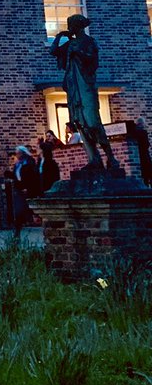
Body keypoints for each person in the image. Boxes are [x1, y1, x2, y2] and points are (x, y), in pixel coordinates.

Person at [52, 14, 118, 170]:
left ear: (78, 26)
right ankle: (94, 159)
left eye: (71, 26)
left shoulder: (89, 42)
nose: (70, 29)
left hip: (85, 85)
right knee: (79, 123)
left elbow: (93, 61)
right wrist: (60, 36)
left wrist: (78, 53)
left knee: (93, 122)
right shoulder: (70, 43)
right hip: (73, 86)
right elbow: (53, 51)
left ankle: (111, 157)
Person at [10, 145, 38, 237]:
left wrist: (27, 187)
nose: (16, 155)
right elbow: (16, 176)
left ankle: (28, 221)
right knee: (19, 209)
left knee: (26, 207)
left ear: (22, 153)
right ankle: (18, 228)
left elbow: (31, 176)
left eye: (18, 153)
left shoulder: (29, 162)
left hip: (27, 188)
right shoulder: (18, 164)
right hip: (19, 189)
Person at [131, 117, 152, 188]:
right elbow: (146, 144)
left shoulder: (133, 132)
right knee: (149, 171)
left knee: (144, 173)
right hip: (144, 155)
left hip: (137, 155)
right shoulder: (143, 132)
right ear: (142, 124)